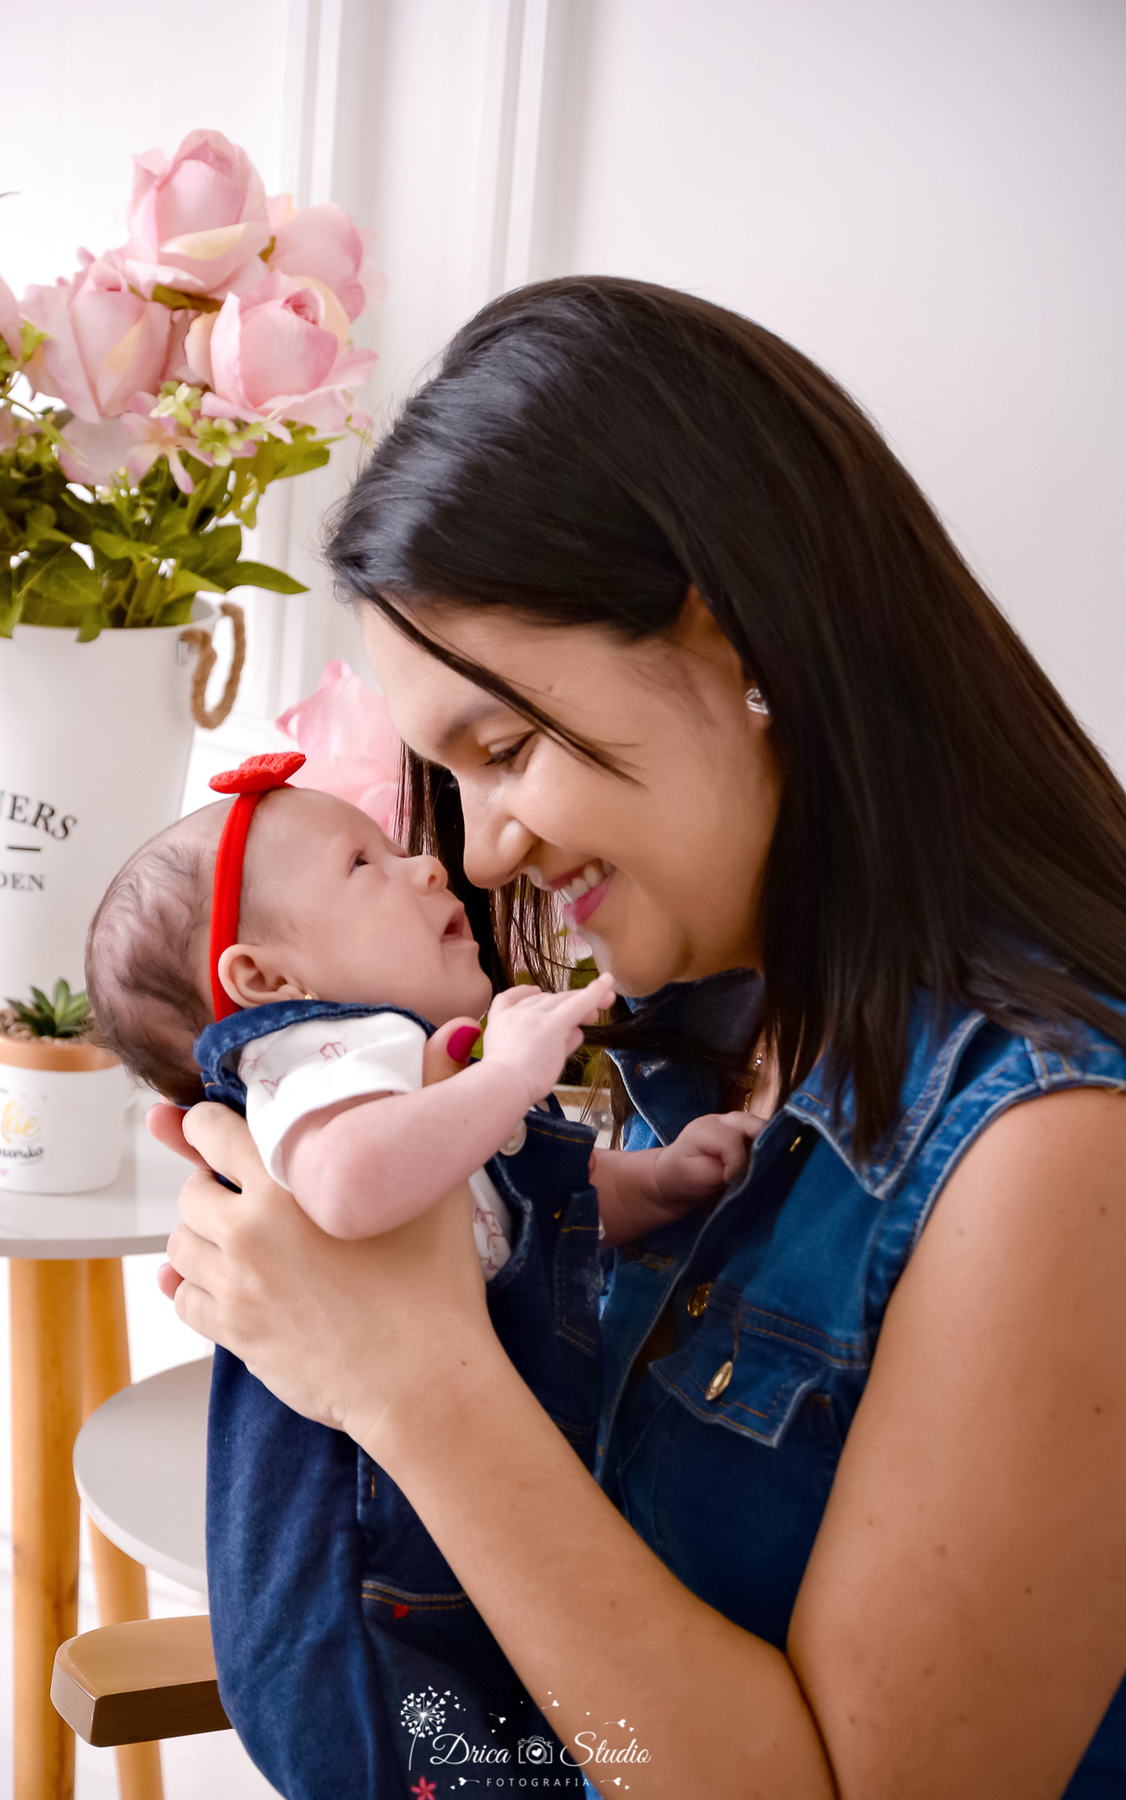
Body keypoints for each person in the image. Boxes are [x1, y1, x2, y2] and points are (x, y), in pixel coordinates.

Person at [150, 276, 1126, 1798]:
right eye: (443, 780)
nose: (474, 855)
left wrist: (412, 1385)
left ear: (731, 632)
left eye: (507, 747)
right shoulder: (699, 1038)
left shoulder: (1054, 1153)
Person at [87, 754, 759, 1794]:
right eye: (366, 863)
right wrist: (510, 1073)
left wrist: (654, 1184)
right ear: (266, 981)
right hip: (359, 1602)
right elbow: (354, 1187)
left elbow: (528, 1206)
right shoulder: (310, 1063)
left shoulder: (413, 1079)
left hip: (456, 1576)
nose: (436, 871)